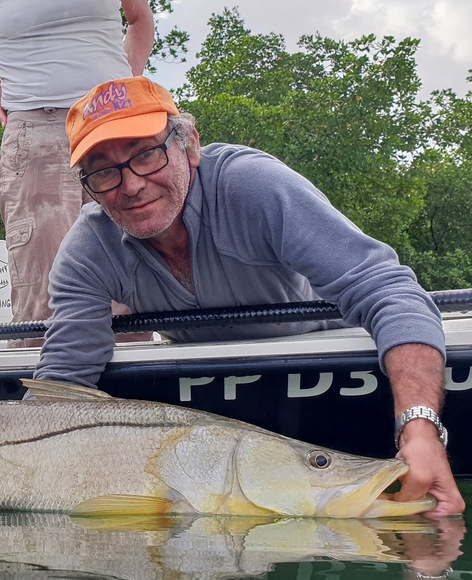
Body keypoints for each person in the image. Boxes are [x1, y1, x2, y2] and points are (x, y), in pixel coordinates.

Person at [33, 75, 465, 516]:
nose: (130, 185)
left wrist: (420, 428)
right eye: (104, 171)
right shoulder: (87, 246)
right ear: (87, 186)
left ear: (190, 145)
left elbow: (387, 289)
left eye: (146, 154)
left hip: (325, 365)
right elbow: (65, 376)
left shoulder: (255, 187)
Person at [0, 0, 155, 324]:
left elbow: (140, 19)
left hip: (113, 127)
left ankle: (141, 375)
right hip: (36, 133)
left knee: (133, 287)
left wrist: (128, 78)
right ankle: (45, 375)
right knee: (46, 297)